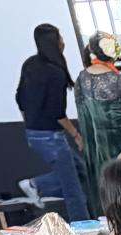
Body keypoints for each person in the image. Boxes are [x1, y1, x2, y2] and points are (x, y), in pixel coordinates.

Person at [15, 24, 90, 222]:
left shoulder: (30, 64)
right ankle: (36, 185)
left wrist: (30, 121)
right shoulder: (55, 72)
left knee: (81, 171)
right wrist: (76, 134)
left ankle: (36, 185)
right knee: (73, 191)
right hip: (51, 137)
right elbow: (58, 112)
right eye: (60, 37)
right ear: (54, 43)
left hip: (33, 133)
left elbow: (20, 98)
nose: (64, 41)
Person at [75, 33, 121, 215]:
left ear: (92, 51)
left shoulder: (81, 79)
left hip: (98, 147)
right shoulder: (117, 79)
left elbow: (85, 120)